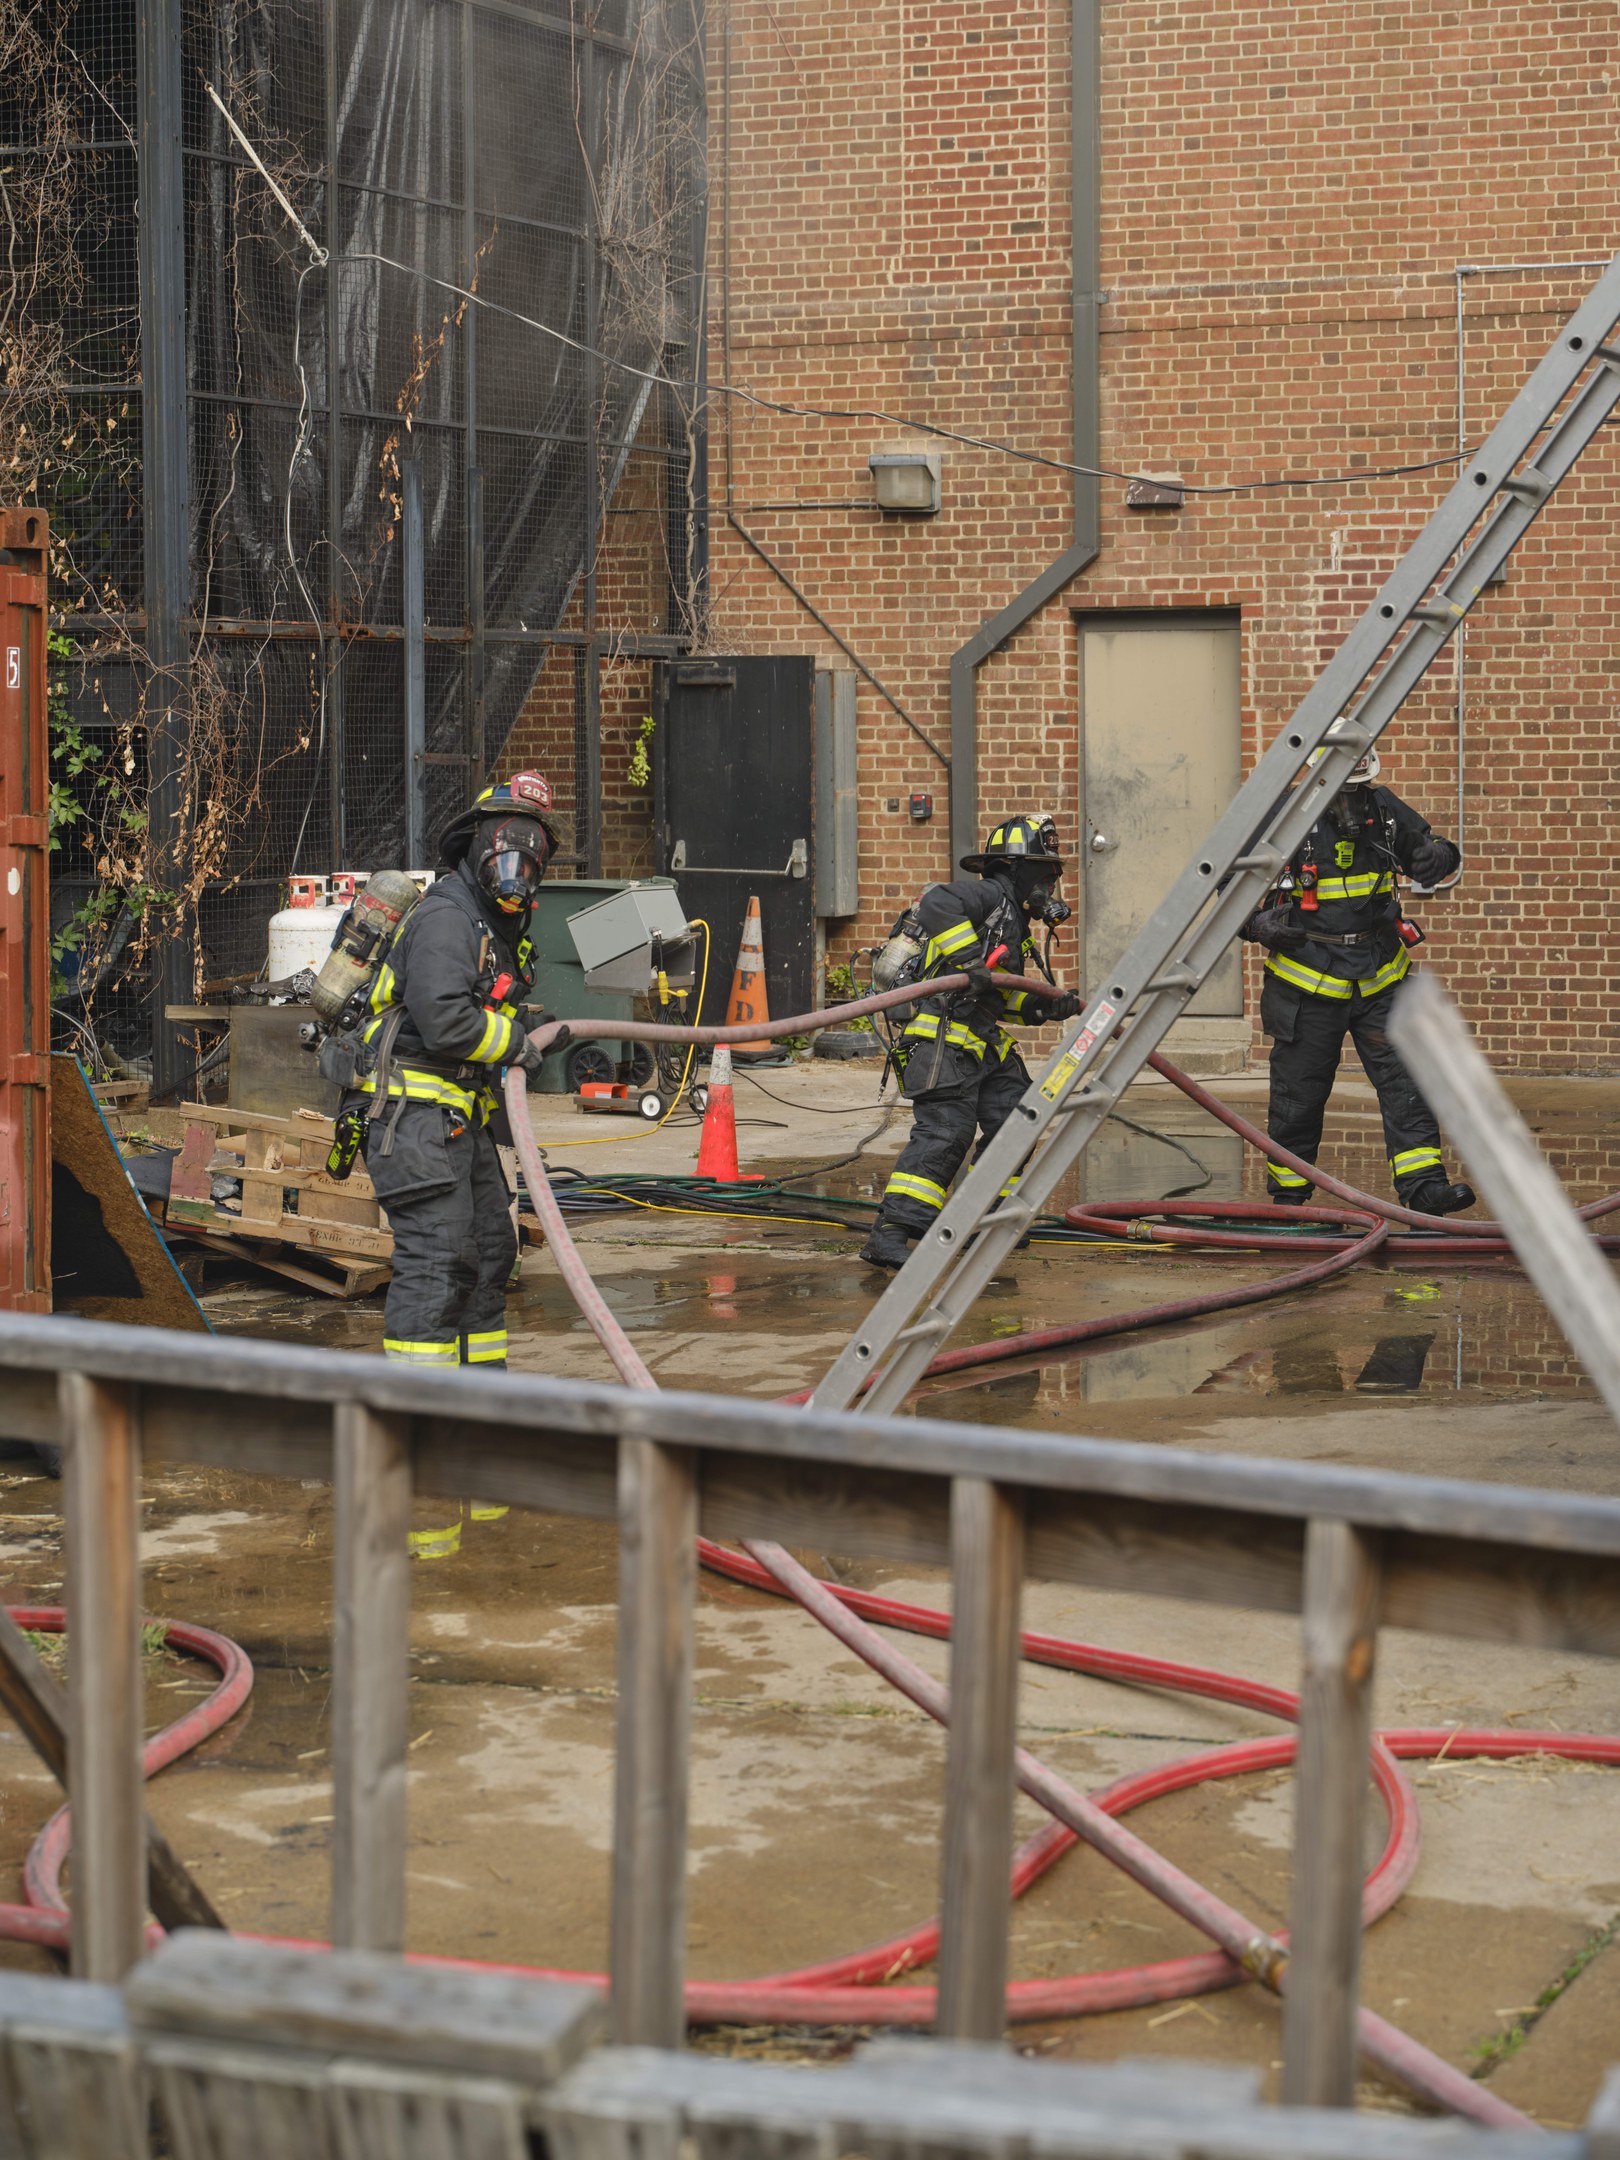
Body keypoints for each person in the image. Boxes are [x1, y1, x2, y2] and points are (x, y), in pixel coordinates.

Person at [357, 770, 567, 1367]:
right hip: (412, 1115)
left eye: (533, 855)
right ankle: (421, 1418)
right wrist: (517, 1042)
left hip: (456, 1117)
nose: (518, 868)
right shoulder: (449, 918)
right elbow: (445, 1020)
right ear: (477, 846)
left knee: (489, 1251)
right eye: (508, 847)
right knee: (439, 1258)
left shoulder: (492, 928)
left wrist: (521, 1033)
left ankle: (483, 1395)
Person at [1240, 743, 1475, 1216]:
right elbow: (1228, 885)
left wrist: (1441, 856)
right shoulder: (1282, 817)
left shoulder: (1383, 808)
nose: (1351, 803)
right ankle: (1291, 1199)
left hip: (1380, 977)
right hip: (1306, 985)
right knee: (1300, 1095)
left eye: (1357, 789)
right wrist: (1255, 924)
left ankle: (1425, 1188)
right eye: (1341, 791)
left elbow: (1429, 848)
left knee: (1408, 1081)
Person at [859, 814, 1081, 1269]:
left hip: (981, 1046)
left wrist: (1044, 1008)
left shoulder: (1011, 923)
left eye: (1053, 873)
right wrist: (967, 959)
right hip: (942, 1042)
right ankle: (890, 1233)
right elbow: (935, 901)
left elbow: (1000, 999)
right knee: (946, 1134)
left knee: (1018, 1120)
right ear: (1015, 869)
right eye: (1044, 872)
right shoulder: (990, 896)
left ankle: (983, 1217)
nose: (1050, 882)